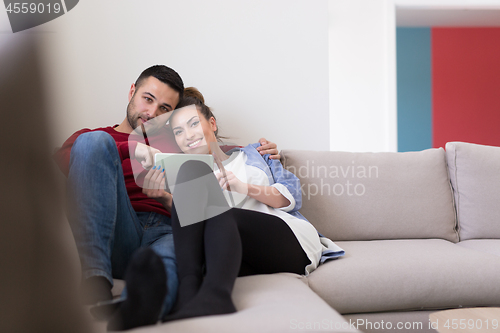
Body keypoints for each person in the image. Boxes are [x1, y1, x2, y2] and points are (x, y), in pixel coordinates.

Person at [54, 66, 282, 328]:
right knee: (94, 142)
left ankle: (137, 308)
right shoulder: (93, 139)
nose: (151, 113)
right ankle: (96, 281)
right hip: (117, 228)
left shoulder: (176, 139)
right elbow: (71, 162)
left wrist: (259, 152)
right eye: (147, 99)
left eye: (164, 109)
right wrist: (131, 148)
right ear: (132, 91)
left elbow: (216, 152)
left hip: (168, 228)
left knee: (172, 259)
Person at [110, 88, 343, 327]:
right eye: (179, 132)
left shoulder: (254, 154)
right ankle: (188, 293)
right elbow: (193, 230)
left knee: (219, 210)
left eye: (193, 124)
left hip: (289, 242)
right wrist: (165, 200)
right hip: (237, 253)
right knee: (194, 172)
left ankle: (216, 295)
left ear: (212, 124)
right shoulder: (184, 174)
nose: (188, 135)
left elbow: (291, 196)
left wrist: (243, 187)